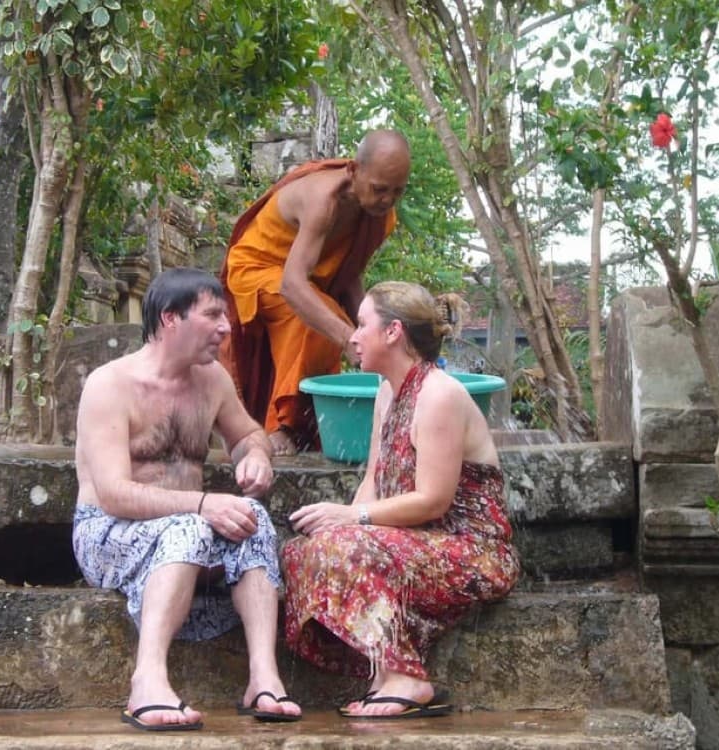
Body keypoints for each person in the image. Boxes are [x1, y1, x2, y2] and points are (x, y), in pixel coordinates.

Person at [72, 268, 302, 731]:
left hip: (185, 534)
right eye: (212, 314)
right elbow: (113, 494)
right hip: (107, 534)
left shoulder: (211, 379)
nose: (225, 327)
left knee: (251, 516)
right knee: (194, 524)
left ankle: (263, 677)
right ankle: (147, 681)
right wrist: (201, 505)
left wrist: (255, 457)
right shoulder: (109, 385)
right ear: (170, 319)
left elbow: (247, 435)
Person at [281, 281, 520, 719]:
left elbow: (433, 501)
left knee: (346, 543)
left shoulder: (439, 395)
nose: (352, 336)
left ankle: (407, 677)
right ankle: (381, 673)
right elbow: (374, 477)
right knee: (302, 552)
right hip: (411, 539)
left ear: (392, 332)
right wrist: (340, 523)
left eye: (361, 325)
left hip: (470, 550)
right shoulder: (387, 391)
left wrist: (353, 519)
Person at [220, 130, 411, 456]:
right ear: (353, 170)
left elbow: (348, 273)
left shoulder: (380, 216)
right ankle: (284, 427)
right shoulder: (323, 200)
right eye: (379, 189)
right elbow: (292, 285)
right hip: (258, 270)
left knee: (334, 317)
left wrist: (371, 331)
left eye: (397, 192)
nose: (387, 201)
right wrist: (349, 338)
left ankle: (313, 428)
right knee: (319, 321)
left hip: (303, 283)